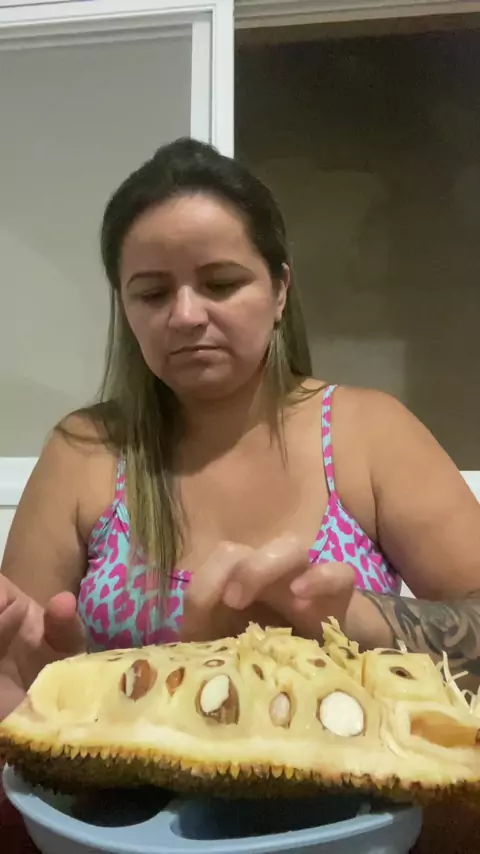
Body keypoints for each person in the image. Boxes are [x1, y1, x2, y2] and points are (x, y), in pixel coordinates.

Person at [2, 137, 480, 724]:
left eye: (221, 283)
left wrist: (352, 617)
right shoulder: (85, 452)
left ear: (279, 290)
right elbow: (21, 663)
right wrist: (40, 696)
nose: (185, 315)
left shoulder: (368, 432)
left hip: (349, 783)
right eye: (152, 293)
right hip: (114, 783)